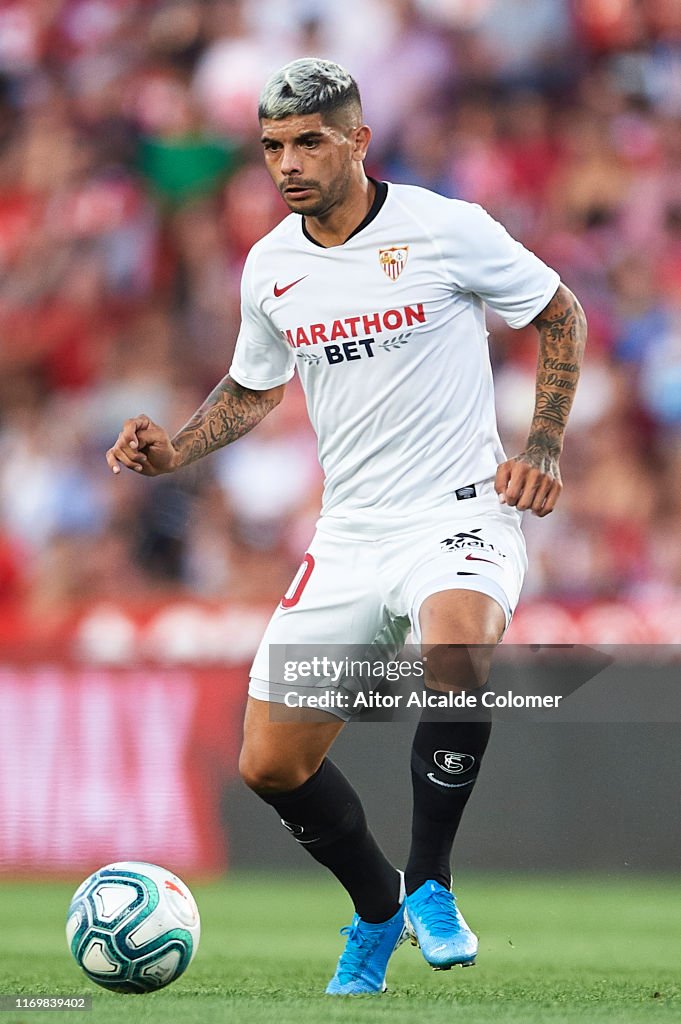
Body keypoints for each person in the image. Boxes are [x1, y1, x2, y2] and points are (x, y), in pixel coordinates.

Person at [107, 58, 587, 995]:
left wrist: (542, 446)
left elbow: (558, 313)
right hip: (349, 536)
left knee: (456, 646)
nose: (287, 163)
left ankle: (436, 889)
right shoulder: (270, 266)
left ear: (357, 141)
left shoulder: (444, 229)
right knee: (269, 763)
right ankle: (379, 904)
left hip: (458, 511)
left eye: (308, 142)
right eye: (272, 147)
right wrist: (175, 452)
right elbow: (254, 386)